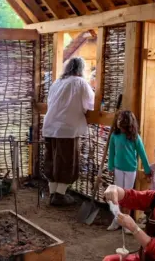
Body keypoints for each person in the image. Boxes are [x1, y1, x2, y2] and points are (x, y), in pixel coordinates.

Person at [42, 57, 94, 206]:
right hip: (67, 128)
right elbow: (89, 104)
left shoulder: (57, 83)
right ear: (81, 69)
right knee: (67, 161)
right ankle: (59, 195)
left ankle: (53, 193)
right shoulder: (80, 83)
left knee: (52, 159)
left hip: (50, 126)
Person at [107, 110, 150, 232]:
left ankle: (127, 223)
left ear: (129, 124)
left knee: (128, 196)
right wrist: (110, 167)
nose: (120, 124)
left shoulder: (135, 137)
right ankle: (116, 220)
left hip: (130, 169)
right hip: (118, 169)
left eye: (123, 122)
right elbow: (111, 153)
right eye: (119, 121)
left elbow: (142, 153)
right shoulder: (115, 136)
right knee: (117, 196)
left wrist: (147, 169)